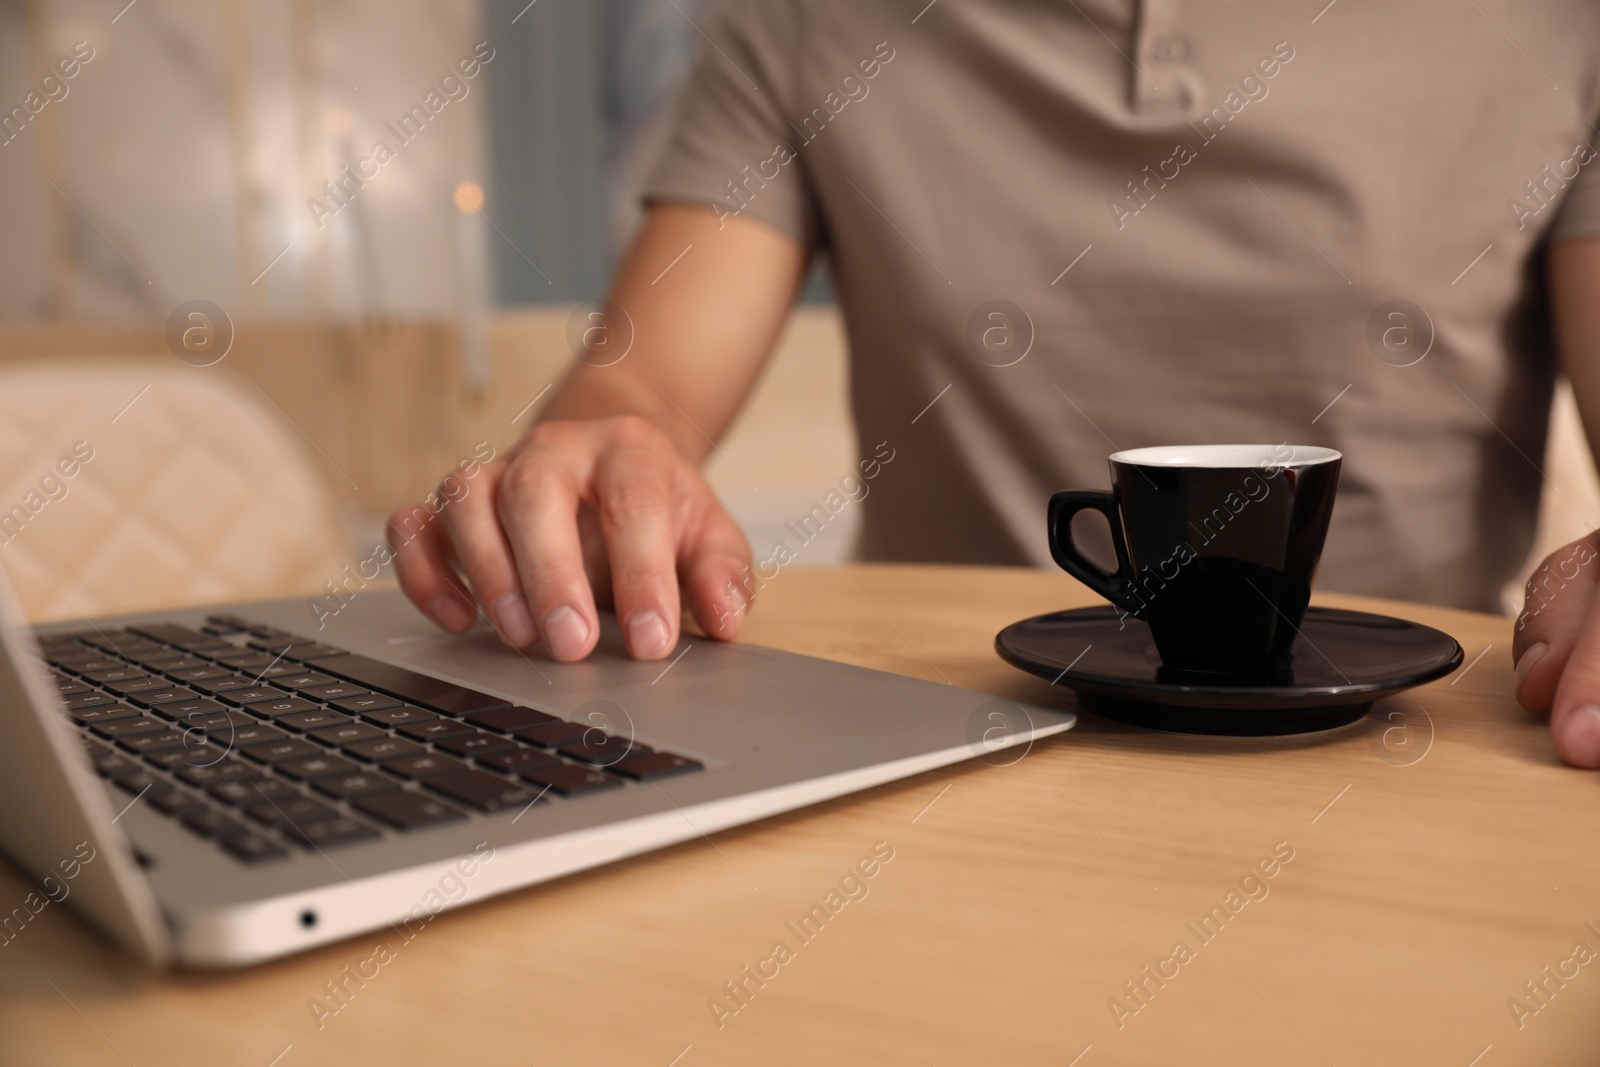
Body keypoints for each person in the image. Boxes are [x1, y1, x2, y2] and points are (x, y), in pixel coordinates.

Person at [388, 1, 1600, 768]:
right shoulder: (802, 21)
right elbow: (633, 395)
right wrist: (599, 464)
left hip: (1418, 768)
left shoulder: (1564, 30)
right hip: (937, 755)